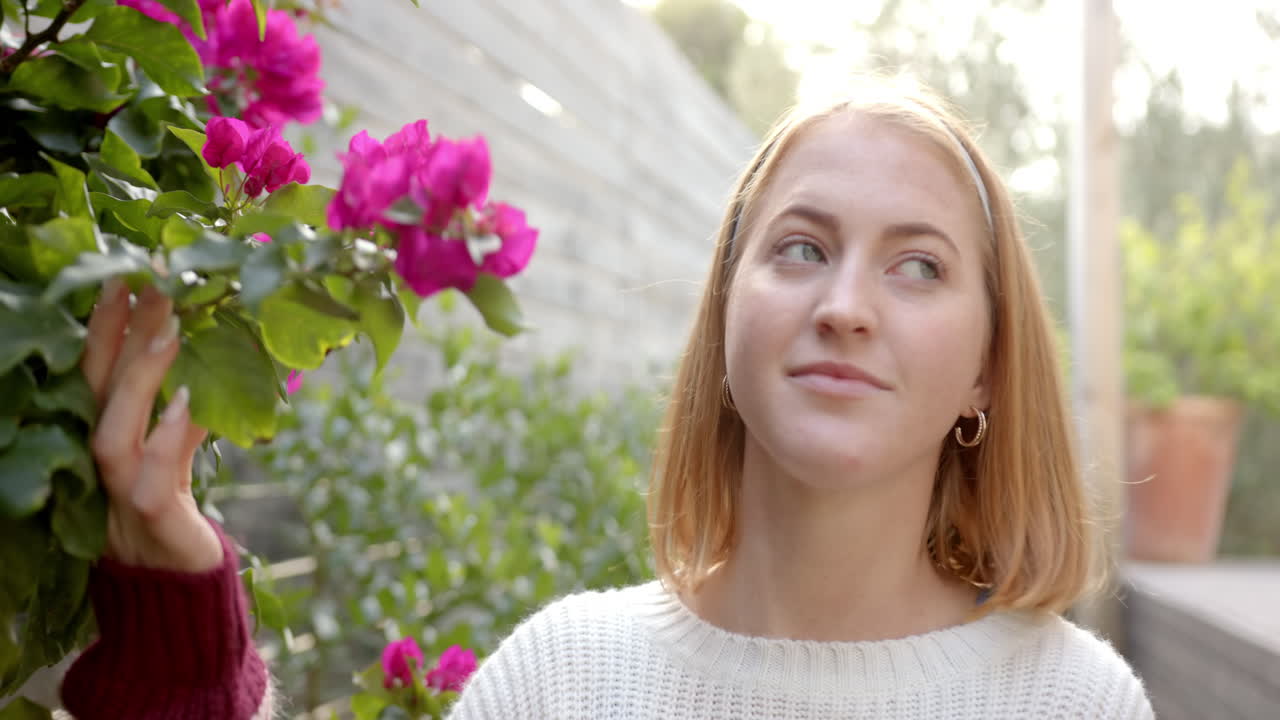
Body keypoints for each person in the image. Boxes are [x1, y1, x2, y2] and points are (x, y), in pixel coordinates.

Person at [60, 78, 1154, 719]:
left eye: (917, 266)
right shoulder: (562, 681)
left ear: (983, 371)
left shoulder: (1073, 705)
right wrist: (178, 644)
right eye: (801, 247)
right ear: (725, 318)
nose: (845, 304)